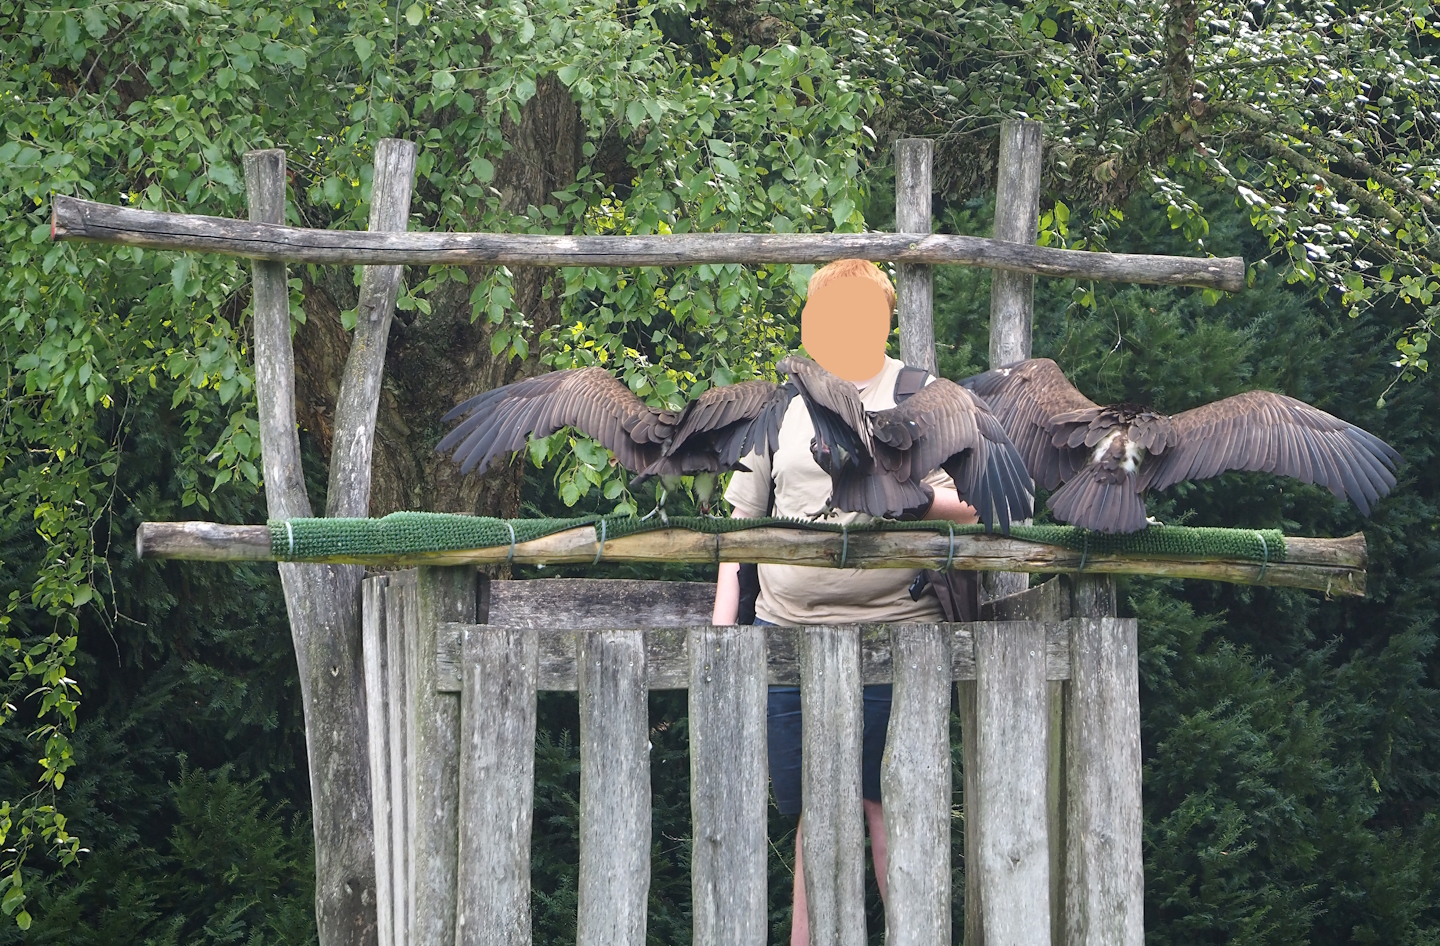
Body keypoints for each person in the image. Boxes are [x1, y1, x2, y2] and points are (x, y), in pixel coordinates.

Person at [710, 258, 979, 945]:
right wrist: (721, 628)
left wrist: (901, 498)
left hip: (900, 635)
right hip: (788, 638)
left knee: (887, 801)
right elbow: (738, 526)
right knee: (811, 810)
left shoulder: (923, 398)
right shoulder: (781, 405)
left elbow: (970, 507)